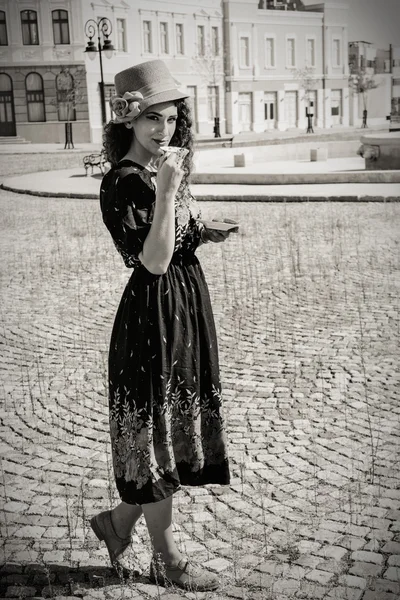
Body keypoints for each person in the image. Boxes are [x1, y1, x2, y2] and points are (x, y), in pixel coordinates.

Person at [91, 59, 237, 592]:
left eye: (171, 119)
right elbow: (151, 260)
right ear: (127, 121)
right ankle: (167, 558)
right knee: (153, 433)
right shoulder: (124, 182)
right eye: (151, 118)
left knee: (167, 431)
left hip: (182, 308)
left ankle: (116, 523)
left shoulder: (158, 171)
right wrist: (170, 194)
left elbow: (173, 240)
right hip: (151, 316)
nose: (163, 130)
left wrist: (201, 229)